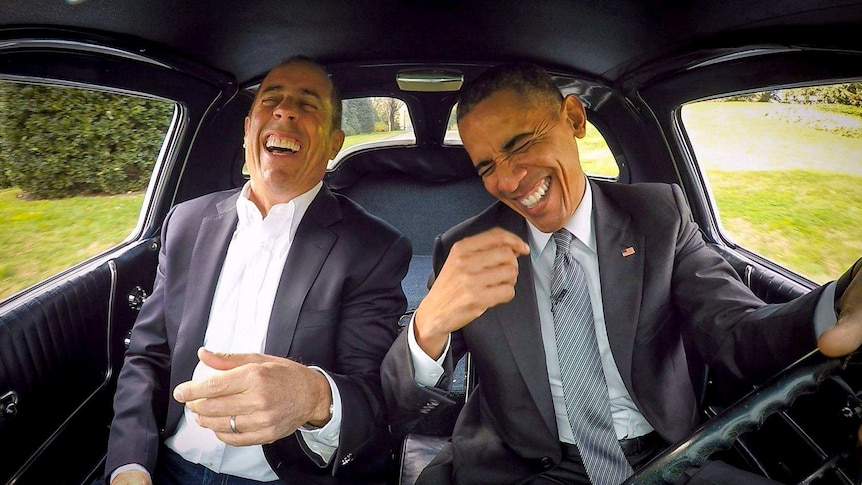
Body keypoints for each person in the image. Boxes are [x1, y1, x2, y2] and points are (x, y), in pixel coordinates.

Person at [381, 62, 862, 485]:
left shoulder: (661, 216)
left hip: (670, 457)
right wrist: (428, 327)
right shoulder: (463, 250)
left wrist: (837, 302)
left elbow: (736, 334)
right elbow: (404, 406)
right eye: (487, 167)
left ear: (573, 119)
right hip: (524, 469)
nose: (507, 181)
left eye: (523, 143)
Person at [106, 56, 411, 485]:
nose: (285, 111)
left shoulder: (373, 248)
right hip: (165, 466)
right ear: (248, 127)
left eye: (308, 105)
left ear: (334, 142)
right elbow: (148, 355)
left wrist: (312, 397)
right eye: (272, 100)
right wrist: (129, 465)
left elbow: (375, 395)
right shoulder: (186, 223)